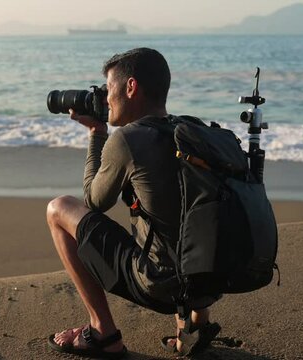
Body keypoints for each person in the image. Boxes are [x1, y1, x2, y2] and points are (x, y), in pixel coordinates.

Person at [46, 48, 221, 358]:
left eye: (108, 89)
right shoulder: (192, 132)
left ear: (131, 87)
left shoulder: (127, 139)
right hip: (212, 279)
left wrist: (98, 133)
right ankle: (197, 324)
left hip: (160, 286)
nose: (105, 99)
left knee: (58, 209)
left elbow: (94, 201)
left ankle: (103, 333)